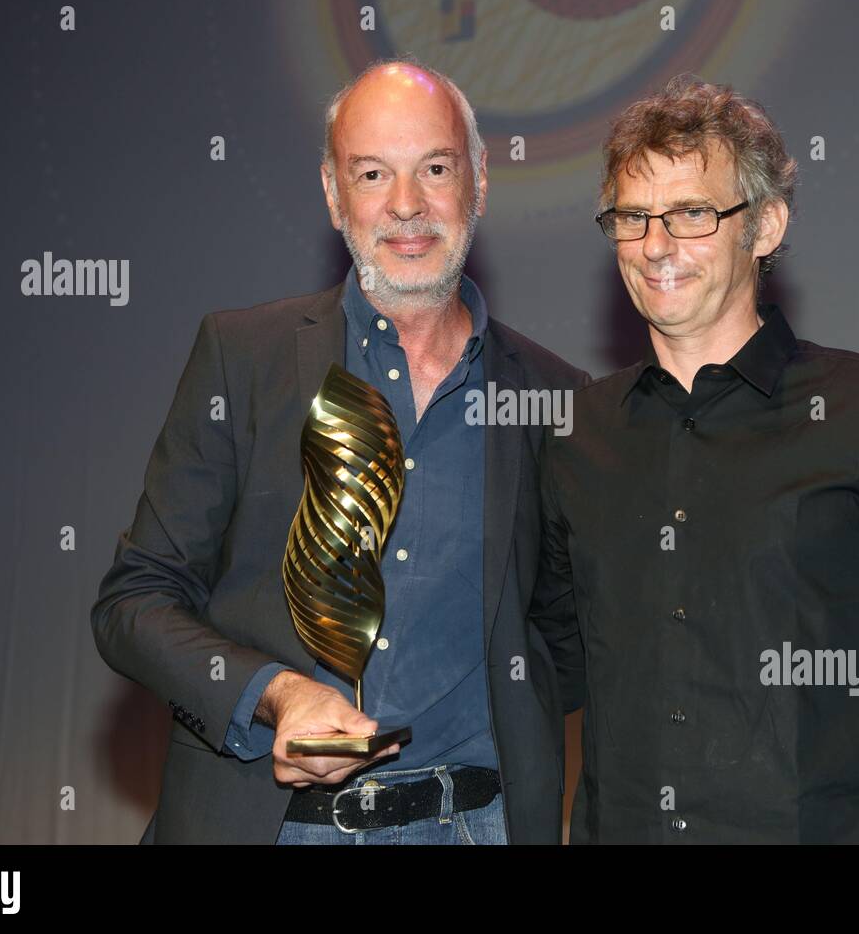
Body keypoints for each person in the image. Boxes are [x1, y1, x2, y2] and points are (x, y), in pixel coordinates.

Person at [92, 58, 587, 844]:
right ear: (332, 193)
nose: (407, 207)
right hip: (273, 826)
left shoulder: (558, 401)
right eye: (371, 173)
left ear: (480, 181)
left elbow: (563, 638)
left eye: (434, 168)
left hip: (475, 826)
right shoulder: (241, 358)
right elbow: (134, 602)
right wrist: (273, 693)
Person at [530, 75, 859, 843]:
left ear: (763, 227)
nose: (657, 245)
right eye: (633, 217)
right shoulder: (575, 434)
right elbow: (545, 663)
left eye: (692, 213)